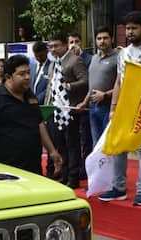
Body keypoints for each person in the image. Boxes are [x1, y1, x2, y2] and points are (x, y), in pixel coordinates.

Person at [98, 11, 141, 206]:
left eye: (134, 28)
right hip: (123, 106)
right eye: (127, 29)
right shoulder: (122, 53)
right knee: (119, 147)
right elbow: (118, 82)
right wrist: (113, 107)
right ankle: (119, 188)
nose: (130, 32)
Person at [0, 54, 63, 175]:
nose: (27, 77)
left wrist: (52, 151)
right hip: (5, 168)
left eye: (28, 72)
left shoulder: (30, 95)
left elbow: (39, 124)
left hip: (33, 166)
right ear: (8, 77)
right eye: (22, 74)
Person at [44, 33, 89, 188]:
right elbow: (50, 87)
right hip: (56, 110)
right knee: (60, 145)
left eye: (56, 46)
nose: (53, 49)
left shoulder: (75, 60)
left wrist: (68, 86)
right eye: (51, 46)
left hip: (70, 110)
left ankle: (73, 177)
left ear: (65, 45)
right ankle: (64, 175)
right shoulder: (52, 64)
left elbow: (85, 81)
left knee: (72, 145)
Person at [76, 25, 117, 146]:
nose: (102, 41)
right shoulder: (94, 58)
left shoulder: (118, 58)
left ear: (112, 39)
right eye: (99, 38)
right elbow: (91, 85)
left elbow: (123, 85)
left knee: (107, 144)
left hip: (109, 107)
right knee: (96, 144)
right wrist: (84, 102)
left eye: (105, 38)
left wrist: (105, 95)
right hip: (92, 106)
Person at [68, 32, 93, 182]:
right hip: (71, 106)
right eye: (71, 41)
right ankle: (75, 167)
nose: (74, 44)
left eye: (76, 41)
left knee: (86, 139)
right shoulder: (66, 60)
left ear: (81, 43)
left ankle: (85, 169)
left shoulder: (89, 59)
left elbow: (90, 81)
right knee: (73, 140)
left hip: (86, 105)